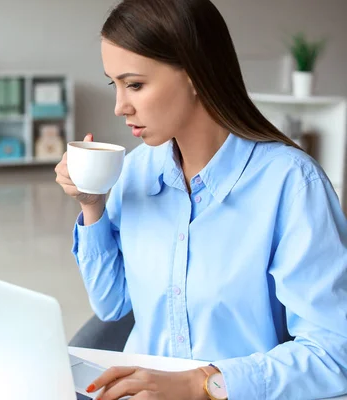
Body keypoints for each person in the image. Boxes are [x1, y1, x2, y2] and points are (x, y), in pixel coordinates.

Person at [54, 0, 347, 399]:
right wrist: (93, 206)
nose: (120, 106)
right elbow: (112, 305)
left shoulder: (292, 185)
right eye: (115, 84)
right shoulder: (136, 171)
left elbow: (335, 354)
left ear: (194, 74)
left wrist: (201, 385)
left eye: (135, 84)